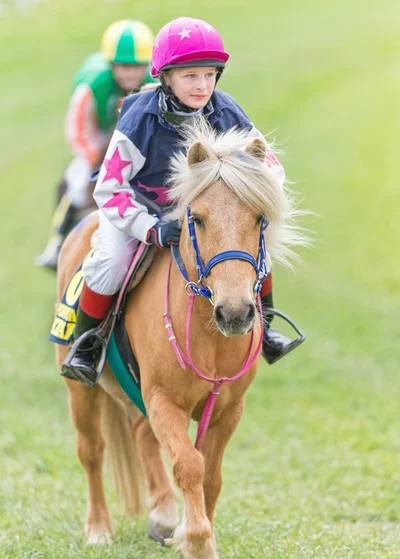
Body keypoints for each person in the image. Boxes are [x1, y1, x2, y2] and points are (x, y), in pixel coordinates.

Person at [60, 16, 305, 385]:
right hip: (138, 212)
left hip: (202, 218)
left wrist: (251, 193)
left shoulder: (226, 111)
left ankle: (266, 330)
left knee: (255, 253)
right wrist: (151, 229)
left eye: (209, 74)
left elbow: (271, 169)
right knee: (109, 261)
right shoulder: (139, 117)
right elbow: (109, 188)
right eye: (190, 76)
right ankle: (87, 344)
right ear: (166, 76)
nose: (202, 85)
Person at [36, 19, 156, 270]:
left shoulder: (153, 83)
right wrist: (97, 158)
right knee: (76, 182)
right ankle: (56, 241)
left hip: (133, 138)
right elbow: (77, 129)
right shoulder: (92, 86)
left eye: (137, 67)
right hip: (99, 135)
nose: (131, 74)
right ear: (110, 64)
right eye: (123, 66)